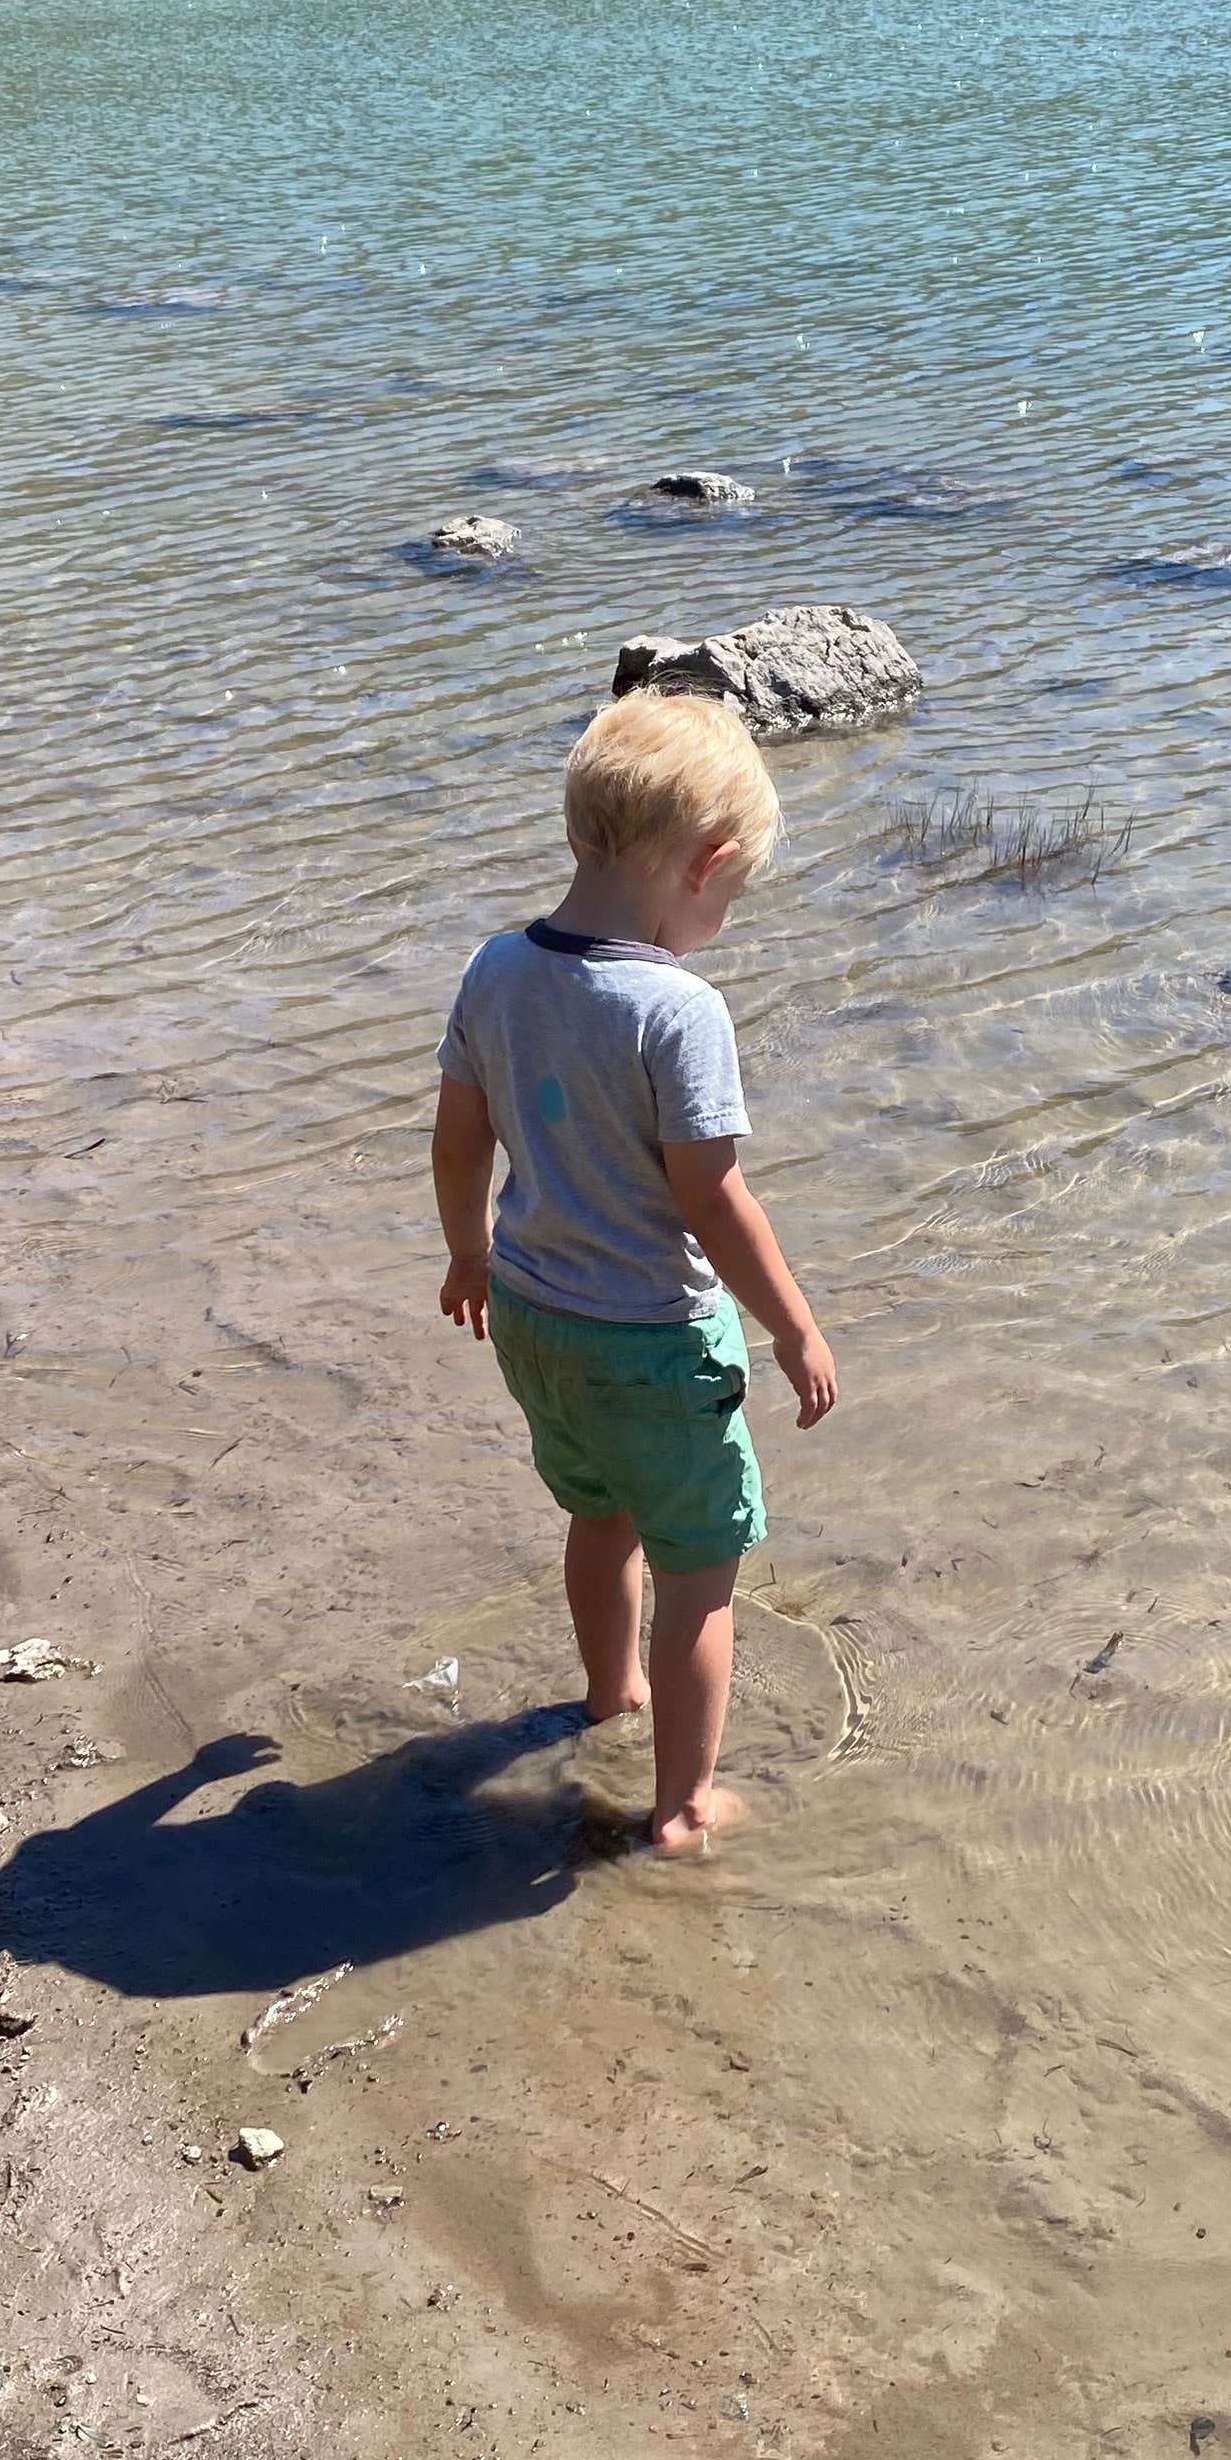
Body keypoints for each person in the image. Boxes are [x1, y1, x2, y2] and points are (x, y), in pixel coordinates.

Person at [432, 689, 838, 1855]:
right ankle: (683, 1807)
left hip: (532, 1317)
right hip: (653, 1341)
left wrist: (468, 1253)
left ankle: (611, 1694)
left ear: (580, 832)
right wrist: (794, 1328)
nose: (721, 921)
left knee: (598, 1511)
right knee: (700, 1570)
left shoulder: (496, 968)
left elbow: (460, 1140)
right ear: (708, 864)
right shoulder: (679, 1009)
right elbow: (713, 1199)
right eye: (731, 898)